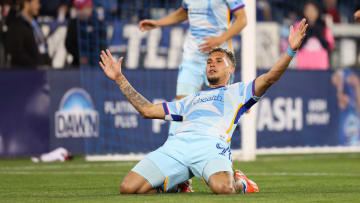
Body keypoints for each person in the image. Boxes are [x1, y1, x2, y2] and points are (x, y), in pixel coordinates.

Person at [99, 18, 308, 194]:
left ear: (231, 69)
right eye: (209, 61)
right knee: (129, 188)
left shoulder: (240, 92)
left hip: (211, 147)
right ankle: (177, 184)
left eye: (218, 60)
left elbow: (270, 77)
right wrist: (119, 79)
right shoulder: (191, 99)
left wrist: (290, 50)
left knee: (224, 188)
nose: (211, 63)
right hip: (176, 147)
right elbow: (147, 110)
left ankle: (242, 182)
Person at [138, 0, 247, 136]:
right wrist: (158, 23)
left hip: (220, 58)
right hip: (192, 58)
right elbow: (184, 13)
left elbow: (242, 19)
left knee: (224, 107)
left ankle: (217, 148)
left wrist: (219, 39)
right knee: (182, 104)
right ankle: (174, 146)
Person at [5, 0, 51, 69]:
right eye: (36, 3)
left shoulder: (35, 24)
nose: (39, 6)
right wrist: (35, 64)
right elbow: (17, 52)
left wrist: (47, 62)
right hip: (25, 73)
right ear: (27, 4)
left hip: (41, 71)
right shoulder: (16, 24)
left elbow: (42, 46)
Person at [65, 0, 107, 67]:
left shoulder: (99, 24)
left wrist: (91, 57)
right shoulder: (73, 23)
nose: (79, 12)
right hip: (77, 63)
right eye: (77, 9)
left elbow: (103, 45)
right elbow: (69, 44)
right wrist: (80, 56)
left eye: (81, 8)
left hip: (97, 63)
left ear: (90, 7)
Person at [295, 0, 334, 70]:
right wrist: (307, 34)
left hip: (321, 64)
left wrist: (319, 35)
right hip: (303, 64)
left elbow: (330, 45)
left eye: (313, 10)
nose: (310, 13)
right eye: (308, 10)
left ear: (318, 11)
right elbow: (295, 45)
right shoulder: (299, 25)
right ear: (304, 11)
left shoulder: (324, 25)